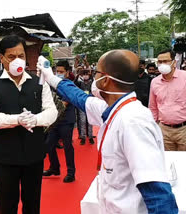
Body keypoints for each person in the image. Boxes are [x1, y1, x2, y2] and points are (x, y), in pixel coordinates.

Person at [37, 49, 178, 214]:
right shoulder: (113, 110)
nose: (93, 78)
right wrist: (51, 77)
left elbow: (159, 196)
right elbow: (80, 98)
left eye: (97, 72)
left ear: (105, 81)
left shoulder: (133, 122)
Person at [0, 35, 57, 214]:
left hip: (34, 154)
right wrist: (17, 120)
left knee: (32, 203)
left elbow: (51, 111)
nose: (17, 61)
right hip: (5, 157)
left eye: (21, 56)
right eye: (11, 57)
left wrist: (35, 120)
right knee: (7, 205)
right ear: (2, 58)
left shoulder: (39, 81)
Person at [43, 60, 76, 183]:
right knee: (49, 145)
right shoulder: (53, 84)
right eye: (57, 71)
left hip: (66, 120)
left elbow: (64, 104)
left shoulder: (70, 86)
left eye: (61, 72)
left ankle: (71, 173)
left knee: (68, 146)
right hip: (54, 121)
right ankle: (54, 168)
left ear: (68, 72)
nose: (59, 74)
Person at [149, 49, 186, 151]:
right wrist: (154, 127)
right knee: (167, 161)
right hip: (164, 130)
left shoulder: (184, 77)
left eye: (165, 61)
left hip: (183, 130)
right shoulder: (155, 82)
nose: (162, 64)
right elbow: (153, 107)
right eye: (159, 62)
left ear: (174, 62)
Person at [74, 69, 94, 145]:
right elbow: (74, 84)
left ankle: (91, 136)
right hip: (81, 103)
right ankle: (83, 137)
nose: (85, 76)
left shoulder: (92, 82)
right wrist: (78, 76)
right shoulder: (79, 82)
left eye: (87, 74)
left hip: (90, 103)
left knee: (90, 121)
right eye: (84, 74)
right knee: (82, 120)